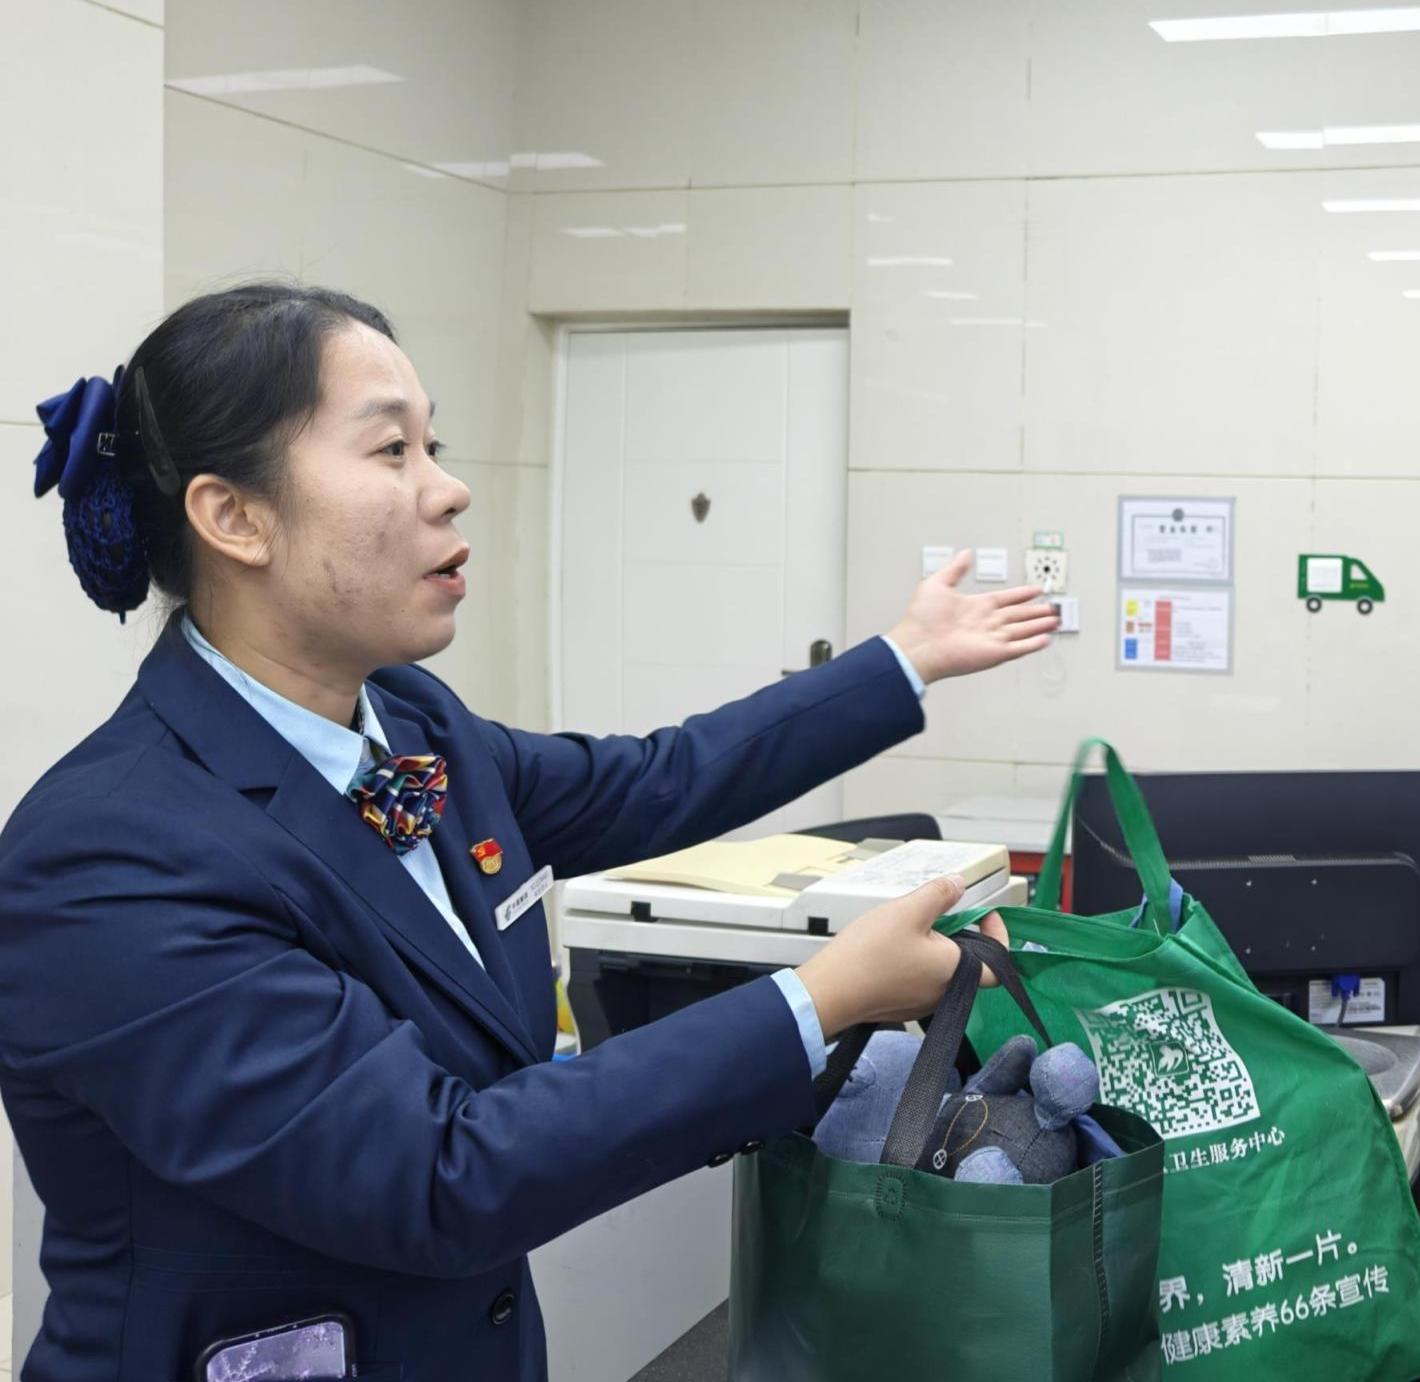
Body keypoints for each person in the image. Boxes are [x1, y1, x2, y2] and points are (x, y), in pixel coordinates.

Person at [0, 282, 1060, 1379]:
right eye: (390, 451)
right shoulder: (108, 854)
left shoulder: (413, 723)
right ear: (235, 517)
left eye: (435, 444)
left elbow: (652, 782)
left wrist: (901, 658)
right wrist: (819, 998)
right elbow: (437, 1172)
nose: (450, 489)